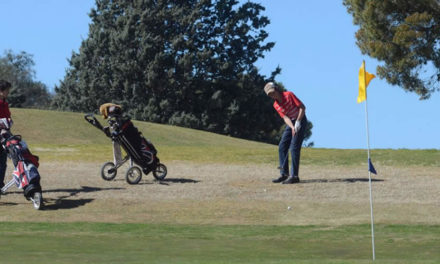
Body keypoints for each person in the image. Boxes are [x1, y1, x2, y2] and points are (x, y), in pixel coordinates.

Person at [264, 82, 307, 184]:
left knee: (294, 147)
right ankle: (284, 174)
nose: (272, 95)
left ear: (277, 89)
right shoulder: (276, 105)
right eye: (270, 95)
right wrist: (292, 127)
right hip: (291, 122)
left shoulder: (289, 95)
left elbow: (302, 107)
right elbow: (285, 117)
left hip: (300, 120)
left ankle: (294, 176)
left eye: (273, 92)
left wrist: (298, 122)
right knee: (282, 146)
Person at [0, 80, 12, 189]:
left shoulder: (5, 104)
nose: (8, 92)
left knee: (3, 161)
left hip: (4, 135)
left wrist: (9, 122)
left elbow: (8, 117)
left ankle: (0, 184)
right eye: (7, 90)